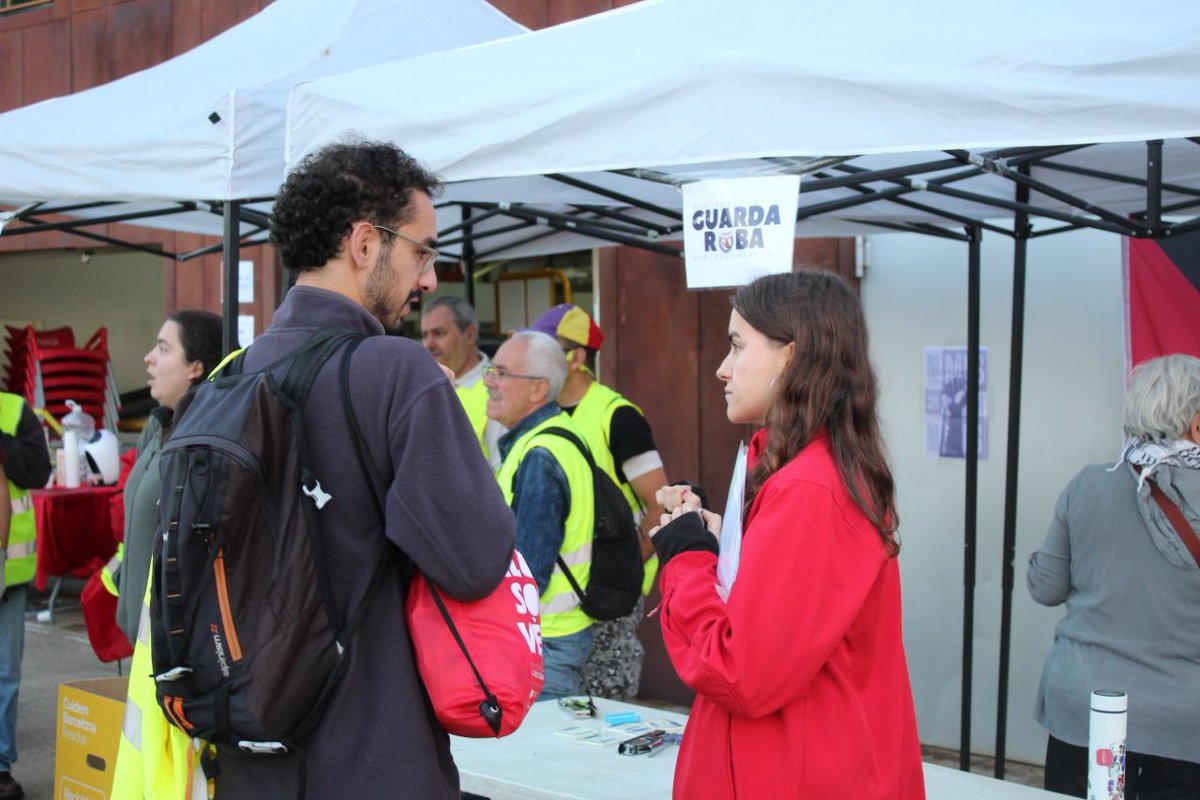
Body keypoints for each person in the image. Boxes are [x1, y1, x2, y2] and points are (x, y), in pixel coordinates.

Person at [648, 270, 925, 799]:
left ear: (791, 357)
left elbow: (742, 672)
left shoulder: (808, 486)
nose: (722, 368)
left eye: (737, 346)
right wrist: (718, 543)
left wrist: (686, 557)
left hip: (795, 773)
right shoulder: (809, 472)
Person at [1028, 353, 1200, 799]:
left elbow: (1045, 586)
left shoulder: (1088, 483)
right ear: (1196, 425)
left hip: (1084, 711)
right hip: (1182, 723)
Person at [525, 303, 668, 700]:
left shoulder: (616, 416)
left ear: (576, 358)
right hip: (558, 599)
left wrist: (620, 570)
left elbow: (661, 505)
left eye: (546, 349)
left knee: (602, 703)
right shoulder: (543, 415)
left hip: (606, 595)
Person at [487, 330, 596, 699]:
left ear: (538, 389)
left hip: (543, 641)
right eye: (491, 370)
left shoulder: (540, 454)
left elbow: (529, 570)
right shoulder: (554, 436)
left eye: (502, 373)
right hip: (551, 636)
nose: (489, 382)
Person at [113, 309, 222, 643]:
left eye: (163, 348)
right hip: (137, 637)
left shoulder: (205, 443)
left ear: (195, 367)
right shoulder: (157, 425)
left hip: (173, 645)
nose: (149, 358)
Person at [0, 388, 52, 800]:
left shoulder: (14, 410)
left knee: (4, 674)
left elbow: (37, 472)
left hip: (8, 572)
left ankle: (0, 765)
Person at [421, 295, 505, 470]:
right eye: (424, 335)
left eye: (439, 333)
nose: (429, 344)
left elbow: (504, 471)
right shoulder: (423, 386)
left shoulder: (498, 388)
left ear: (469, 335)